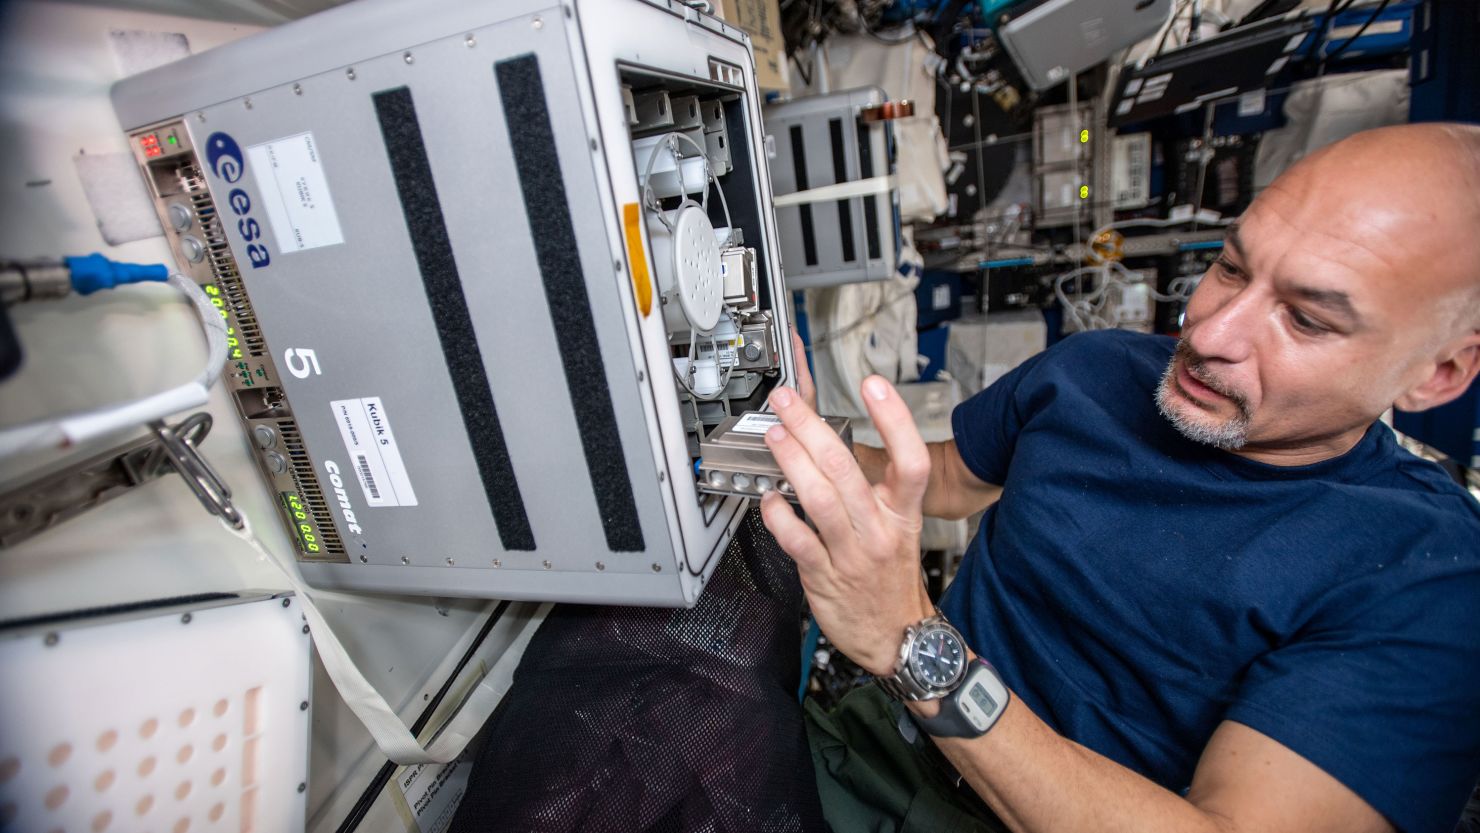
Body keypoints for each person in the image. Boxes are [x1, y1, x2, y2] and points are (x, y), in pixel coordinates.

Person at [761, 122, 1480, 833]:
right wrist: (800, 429)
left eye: (1306, 319)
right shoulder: (1096, 371)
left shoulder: (1426, 577)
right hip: (867, 739)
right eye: (1231, 268)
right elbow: (947, 477)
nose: (1207, 332)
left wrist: (912, 640)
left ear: (1438, 373)